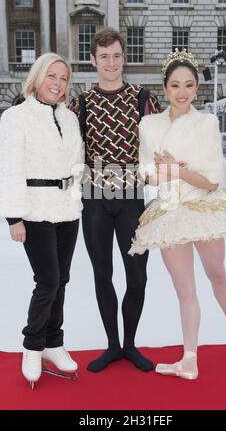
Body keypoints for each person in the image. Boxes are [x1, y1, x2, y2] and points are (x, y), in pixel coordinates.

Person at [129, 49, 226, 380]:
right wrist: (161, 172)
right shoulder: (148, 125)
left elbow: (211, 180)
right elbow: (145, 173)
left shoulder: (207, 123)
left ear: (196, 89)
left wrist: (178, 170)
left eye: (189, 85)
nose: (182, 92)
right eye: (175, 85)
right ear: (164, 88)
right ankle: (189, 359)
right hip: (168, 213)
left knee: (217, 274)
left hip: (203, 208)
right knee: (185, 290)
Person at [0, 53, 84, 389]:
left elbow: (76, 162)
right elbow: (8, 168)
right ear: (38, 77)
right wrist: (14, 217)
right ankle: (33, 345)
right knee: (48, 281)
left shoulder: (69, 118)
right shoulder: (17, 117)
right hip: (34, 209)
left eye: (63, 78)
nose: (57, 84)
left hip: (67, 210)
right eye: (52, 76)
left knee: (64, 280)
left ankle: (53, 343)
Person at [69, 28, 161, 372]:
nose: (111, 62)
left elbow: (162, 142)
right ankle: (111, 345)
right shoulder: (80, 102)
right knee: (102, 274)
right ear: (93, 60)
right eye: (104, 56)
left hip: (132, 197)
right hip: (94, 197)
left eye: (116, 55)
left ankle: (130, 345)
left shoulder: (143, 98)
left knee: (137, 277)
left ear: (125, 58)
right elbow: (65, 148)